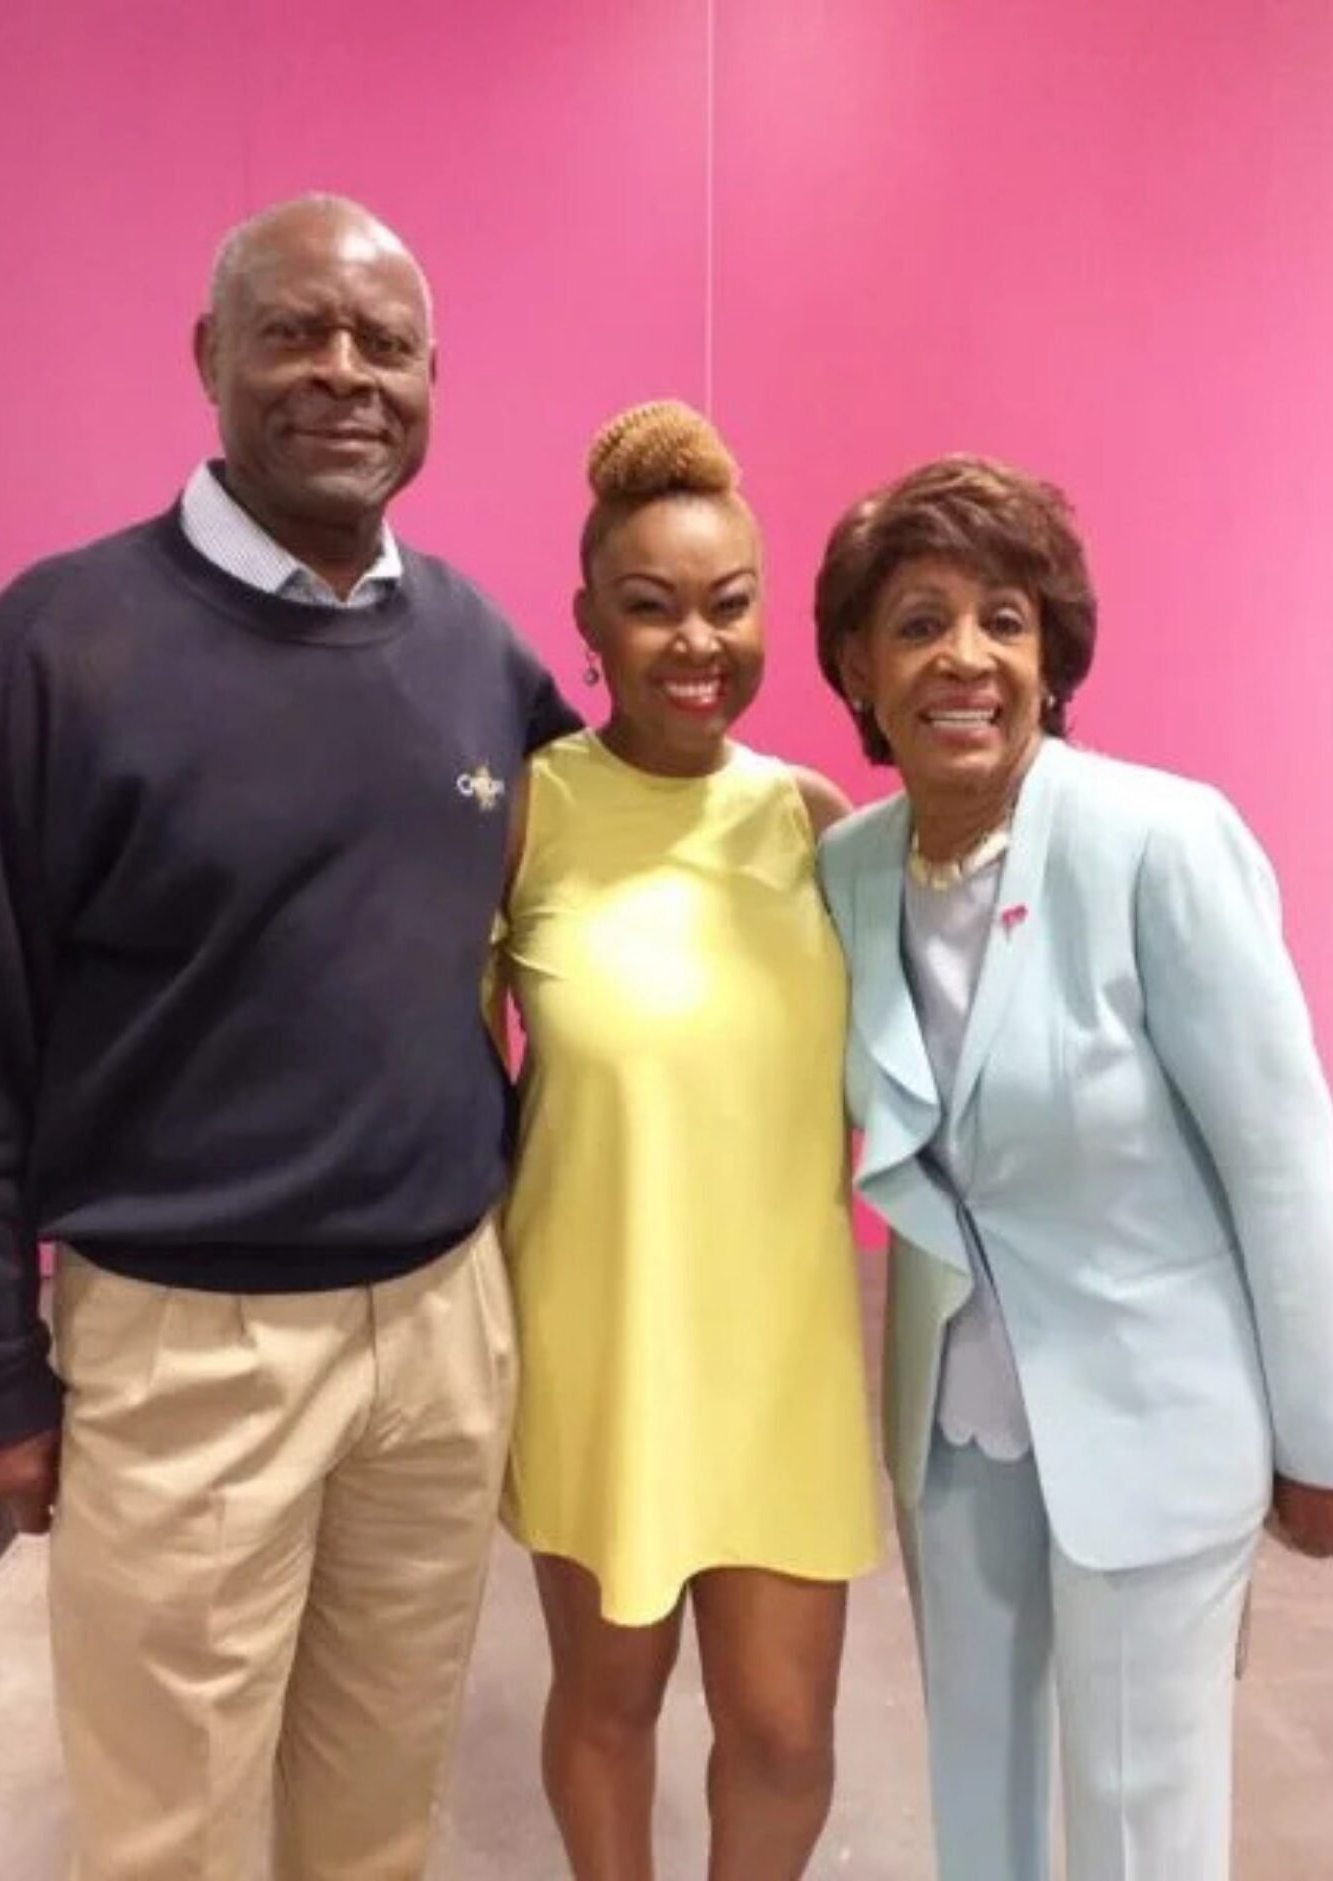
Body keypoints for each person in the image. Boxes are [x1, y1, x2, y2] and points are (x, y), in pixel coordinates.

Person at [0, 192, 579, 1880]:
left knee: (378, 1815)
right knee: (171, 1832)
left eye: (383, 344)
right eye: (293, 332)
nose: (342, 374)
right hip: (185, 1352)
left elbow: (613, 861)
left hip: (444, 1336)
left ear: (434, 380)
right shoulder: (50, 645)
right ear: (209, 360)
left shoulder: (473, 645)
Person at [812, 453, 1333, 1881]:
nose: (964, 658)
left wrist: (1322, 1440)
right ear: (859, 667)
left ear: (1053, 653)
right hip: (958, 1426)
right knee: (978, 1800)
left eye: (1005, 618)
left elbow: (1286, 1158)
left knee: (1136, 1819)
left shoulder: (1161, 840)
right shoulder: (850, 870)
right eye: (917, 623)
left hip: (1155, 1412)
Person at [495, 401, 881, 1880]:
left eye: (726, 605)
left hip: (780, 1352)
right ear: (587, 617)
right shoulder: (532, 811)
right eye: (648, 608)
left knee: (785, 1730)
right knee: (610, 1695)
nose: (693, 642)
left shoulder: (814, 821)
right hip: (599, 1338)